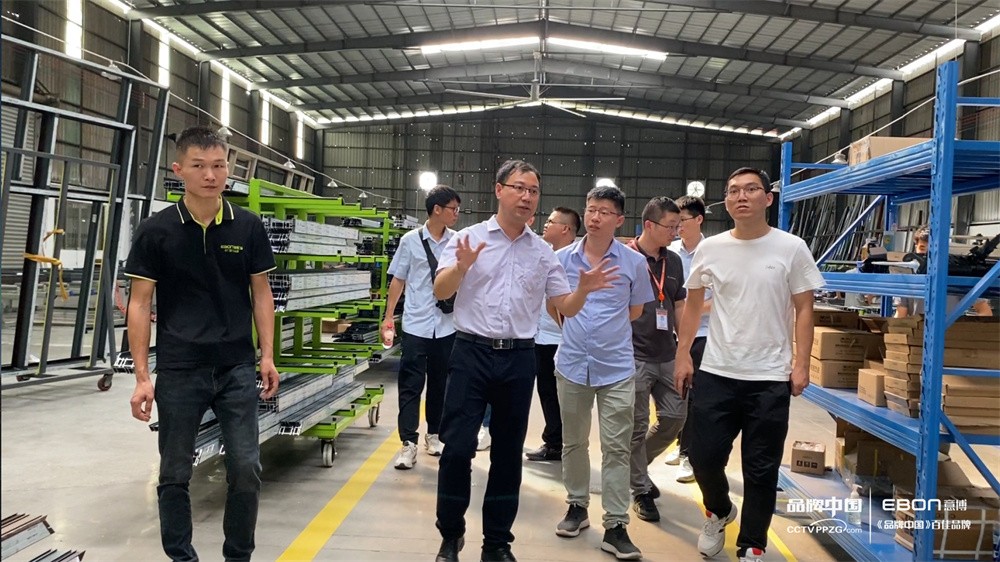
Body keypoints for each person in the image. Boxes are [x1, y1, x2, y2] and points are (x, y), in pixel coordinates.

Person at [432, 160, 617, 562]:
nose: (527, 196)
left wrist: (583, 290)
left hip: (518, 358)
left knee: (507, 454)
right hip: (470, 352)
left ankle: (497, 543)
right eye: (519, 187)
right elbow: (441, 290)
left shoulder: (543, 253)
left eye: (533, 191)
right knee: (457, 448)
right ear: (499, 190)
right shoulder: (469, 238)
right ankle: (450, 534)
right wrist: (461, 267)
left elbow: (564, 306)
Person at [125, 125, 280, 562]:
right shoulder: (157, 231)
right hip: (180, 368)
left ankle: (238, 556)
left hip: (235, 366)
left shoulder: (247, 226)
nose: (210, 175)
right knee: (174, 472)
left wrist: (267, 355)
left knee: (246, 468)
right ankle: (182, 557)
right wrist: (142, 376)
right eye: (199, 166)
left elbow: (262, 293)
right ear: (179, 170)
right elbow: (140, 303)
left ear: (228, 169)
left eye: (218, 166)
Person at [674, 167, 824, 562]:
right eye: (733, 190)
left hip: (770, 377)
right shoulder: (711, 248)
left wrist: (802, 363)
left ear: (768, 199)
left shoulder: (791, 248)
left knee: (761, 468)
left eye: (751, 189)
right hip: (717, 371)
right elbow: (693, 304)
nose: (741, 196)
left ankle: (752, 544)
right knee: (703, 457)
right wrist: (683, 353)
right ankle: (720, 510)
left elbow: (804, 308)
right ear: (726, 201)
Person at [554, 186, 653, 561]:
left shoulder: (633, 263)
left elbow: (635, 311)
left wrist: (603, 334)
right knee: (573, 442)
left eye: (604, 212)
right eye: (591, 209)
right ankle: (577, 506)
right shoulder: (563, 259)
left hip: (616, 369)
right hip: (572, 365)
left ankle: (616, 525)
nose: (595, 217)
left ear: (619, 220)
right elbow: (555, 306)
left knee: (616, 447)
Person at [382, 185, 461, 469]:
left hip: (447, 325)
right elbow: (398, 280)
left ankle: (434, 435)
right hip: (417, 324)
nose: (457, 214)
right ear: (437, 210)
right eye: (453, 208)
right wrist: (388, 317)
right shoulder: (410, 241)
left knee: (440, 384)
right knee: (411, 385)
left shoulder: (457, 241)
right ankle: (408, 443)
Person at [626, 197, 687, 523]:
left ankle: (633, 468)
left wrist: (683, 351)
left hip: (667, 353)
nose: (675, 233)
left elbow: (678, 305)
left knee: (676, 417)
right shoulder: (625, 256)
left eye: (678, 227)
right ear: (649, 225)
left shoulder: (673, 261)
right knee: (636, 427)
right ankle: (640, 489)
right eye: (670, 227)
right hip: (633, 354)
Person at [525, 207, 581, 462]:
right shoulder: (544, 254)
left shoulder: (573, 260)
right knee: (547, 392)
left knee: (562, 395)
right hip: (541, 336)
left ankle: (560, 442)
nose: (545, 225)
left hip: (560, 337)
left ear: (566, 229)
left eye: (551, 221)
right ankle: (555, 441)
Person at [665, 195, 711, 484]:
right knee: (677, 391)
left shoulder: (714, 252)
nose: (678, 226)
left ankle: (688, 456)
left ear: (699, 220)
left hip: (703, 334)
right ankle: (680, 442)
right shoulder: (670, 252)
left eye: (682, 220)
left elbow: (719, 299)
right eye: (674, 222)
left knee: (695, 396)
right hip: (672, 333)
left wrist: (690, 309)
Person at [893, 226, 993, 318]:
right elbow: (901, 314)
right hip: (918, 329)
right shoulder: (906, 277)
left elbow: (984, 310)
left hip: (951, 329)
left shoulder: (955, 274)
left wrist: (968, 329)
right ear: (916, 247)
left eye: (932, 250)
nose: (927, 255)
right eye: (922, 248)